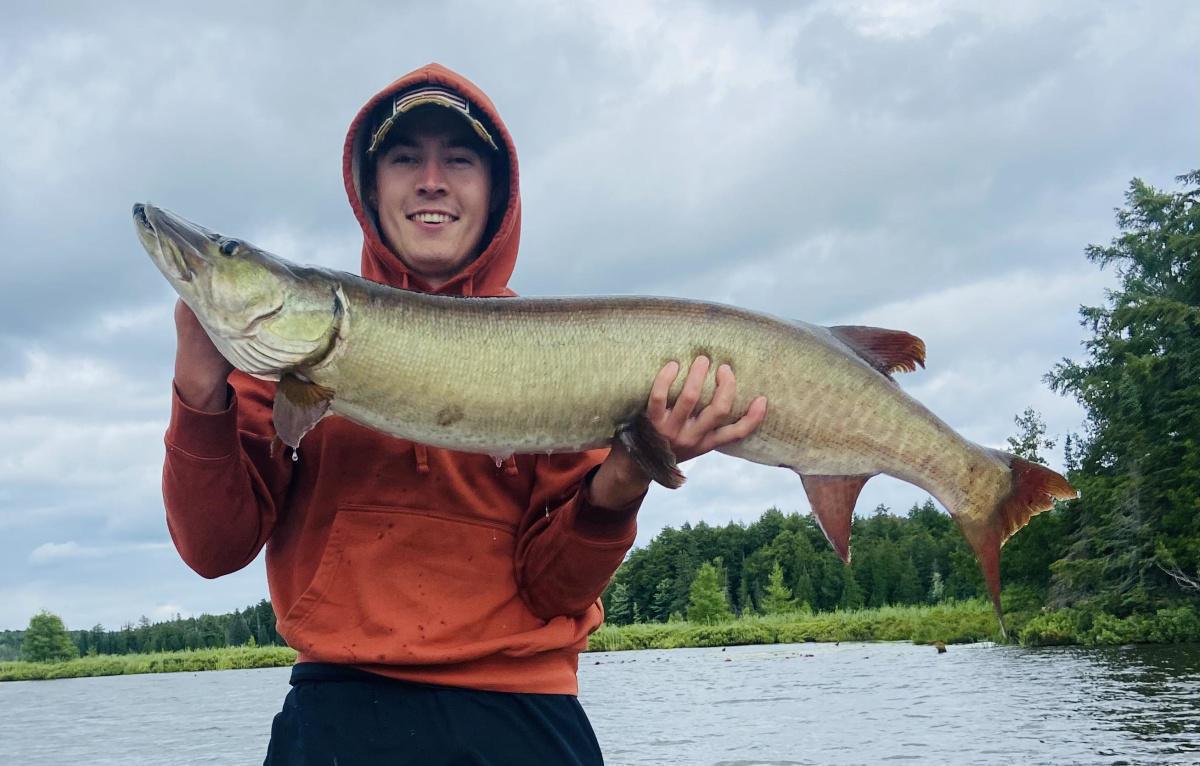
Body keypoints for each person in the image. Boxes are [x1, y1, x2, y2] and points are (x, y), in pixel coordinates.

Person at [163, 63, 766, 765]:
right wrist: (200, 391)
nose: (430, 179)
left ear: (497, 191)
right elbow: (213, 549)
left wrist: (629, 471)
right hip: (338, 709)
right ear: (370, 187)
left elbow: (554, 587)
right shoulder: (286, 360)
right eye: (402, 158)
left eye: (459, 158)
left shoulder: (557, 356)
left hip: (524, 715)